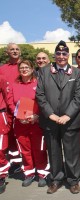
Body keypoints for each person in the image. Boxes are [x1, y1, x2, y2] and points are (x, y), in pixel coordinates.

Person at [36, 40, 80, 194]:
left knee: (71, 152)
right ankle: (56, 179)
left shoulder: (76, 73)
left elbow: (78, 97)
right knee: (54, 152)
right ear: (54, 55)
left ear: (68, 55)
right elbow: (40, 96)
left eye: (64, 53)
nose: (61, 56)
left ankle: (73, 180)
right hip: (51, 121)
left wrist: (67, 115)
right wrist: (51, 115)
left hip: (70, 121)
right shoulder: (43, 72)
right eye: (58, 53)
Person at [6, 60, 49, 187]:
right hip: (20, 123)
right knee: (25, 150)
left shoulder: (38, 83)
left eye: (27, 67)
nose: (24, 69)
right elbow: (10, 102)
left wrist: (37, 115)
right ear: (19, 70)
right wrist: (18, 115)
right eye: (22, 68)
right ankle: (29, 173)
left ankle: (42, 173)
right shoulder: (14, 85)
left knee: (39, 149)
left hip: (36, 122)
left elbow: (43, 101)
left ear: (32, 69)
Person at [0, 43, 22, 175]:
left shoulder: (25, 66)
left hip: (23, 107)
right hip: (6, 110)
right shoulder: (2, 69)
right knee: (9, 136)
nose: (14, 51)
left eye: (17, 49)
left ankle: (27, 162)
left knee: (22, 136)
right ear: (7, 52)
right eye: (12, 49)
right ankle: (15, 162)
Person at [0, 76, 11, 194]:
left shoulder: (1, 79)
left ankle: (1, 176)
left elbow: (7, 98)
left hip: (0, 115)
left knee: (0, 148)